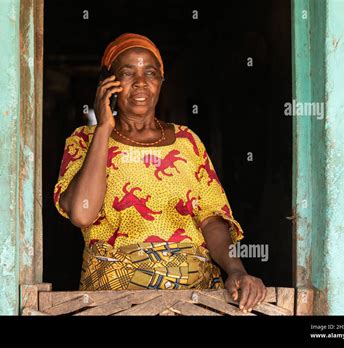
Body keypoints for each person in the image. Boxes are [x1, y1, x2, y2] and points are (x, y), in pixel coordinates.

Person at [54, 33, 266, 313]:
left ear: (161, 82)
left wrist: (236, 270)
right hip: (114, 302)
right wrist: (104, 127)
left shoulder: (187, 141)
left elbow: (211, 220)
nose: (140, 82)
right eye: (127, 73)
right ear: (108, 84)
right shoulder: (84, 141)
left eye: (150, 73)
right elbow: (82, 213)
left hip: (193, 300)